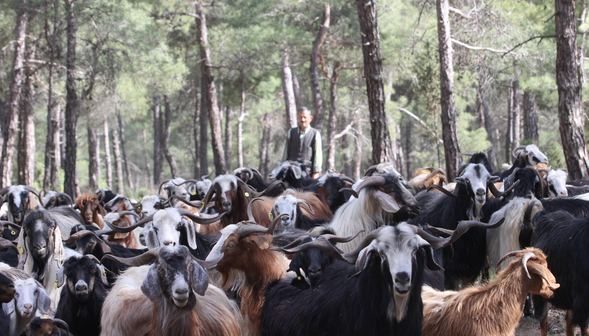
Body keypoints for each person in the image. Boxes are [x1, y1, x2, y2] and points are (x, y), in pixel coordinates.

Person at [284, 107, 323, 179]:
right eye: (300, 117)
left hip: (306, 174)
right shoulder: (291, 132)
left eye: (305, 117)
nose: (302, 120)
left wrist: (316, 172)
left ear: (310, 118)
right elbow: (286, 153)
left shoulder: (315, 134)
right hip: (290, 172)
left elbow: (318, 156)